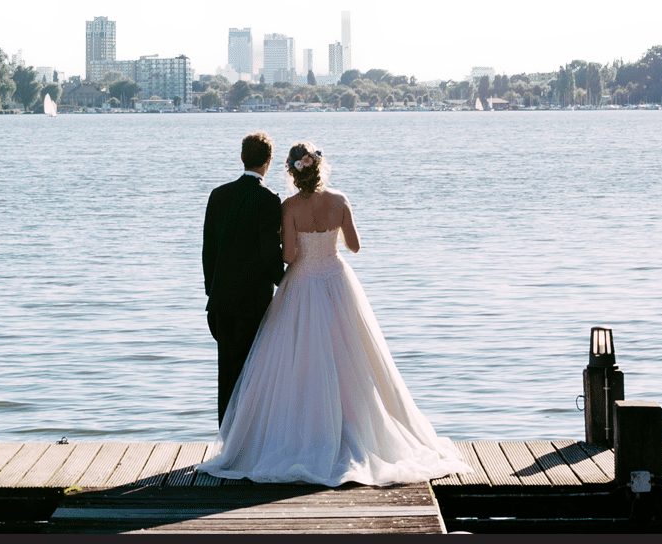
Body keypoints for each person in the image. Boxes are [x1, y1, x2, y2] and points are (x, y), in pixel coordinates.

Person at [197, 142, 472, 487]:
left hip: (302, 284)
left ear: (293, 171)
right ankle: (355, 428)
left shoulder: (289, 206)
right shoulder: (340, 201)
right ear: (319, 167)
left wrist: (292, 244)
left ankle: (281, 434)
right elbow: (355, 246)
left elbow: (289, 256)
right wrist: (333, 236)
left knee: (298, 361)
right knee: (352, 358)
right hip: (337, 282)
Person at [202, 132, 287, 423]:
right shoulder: (269, 199)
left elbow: (208, 249)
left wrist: (211, 290)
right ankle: (248, 442)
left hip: (221, 302)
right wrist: (286, 282)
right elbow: (268, 253)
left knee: (226, 374)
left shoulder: (218, 194)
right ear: (269, 161)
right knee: (254, 373)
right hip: (254, 303)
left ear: (242, 157)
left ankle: (226, 440)